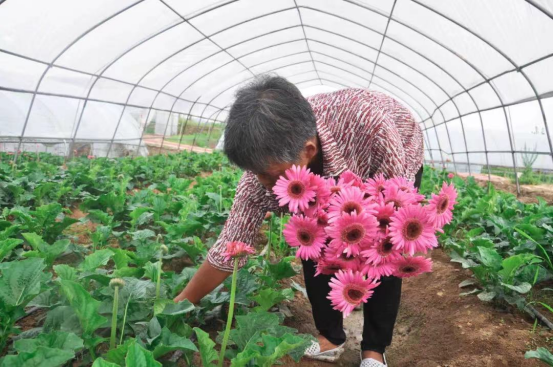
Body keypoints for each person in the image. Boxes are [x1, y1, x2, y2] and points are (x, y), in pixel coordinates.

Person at [174, 74, 424, 367]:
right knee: (310, 238)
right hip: (330, 158)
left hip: (389, 152)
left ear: (308, 152)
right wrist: (179, 305)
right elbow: (230, 245)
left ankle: (374, 349)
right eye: (254, 172)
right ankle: (330, 337)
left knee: (384, 249)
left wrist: (356, 263)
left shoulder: (375, 129)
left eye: (269, 174)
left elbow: (392, 216)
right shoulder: (261, 175)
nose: (262, 182)